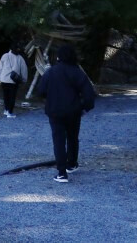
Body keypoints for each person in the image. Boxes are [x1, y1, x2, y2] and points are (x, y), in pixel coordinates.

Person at [37, 45, 96, 183]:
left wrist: (50, 97)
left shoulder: (50, 72)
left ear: (58, 57)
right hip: (73, 111)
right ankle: (72, 163)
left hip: (55, 111)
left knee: (58, 141)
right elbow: (89, 94)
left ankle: (61, 172)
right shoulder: (77, 72)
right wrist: (84, 108)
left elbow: (40, 91)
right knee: (73, 137)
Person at [0, 43, 28, 118]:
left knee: (6, 96)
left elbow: (0, 68)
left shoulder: (5, 56)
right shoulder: (20, 58)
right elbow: (24, 70)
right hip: (13, 80)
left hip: (4, 79)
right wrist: (24, 79)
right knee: (12, 97)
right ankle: (10, 112)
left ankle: (6, 110)